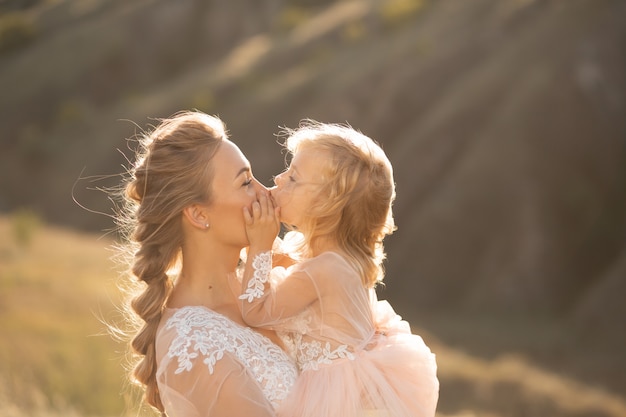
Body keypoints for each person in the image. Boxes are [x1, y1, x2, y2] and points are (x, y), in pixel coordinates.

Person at [234, 121, 440, 417]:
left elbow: (255, 312)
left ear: (326, 204)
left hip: (336, 398)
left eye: (294, 178)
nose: (278, 179)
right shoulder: (339, 257)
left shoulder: (325, 268)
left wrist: (260, 247)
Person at [115, 110, 298, 417]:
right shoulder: (195, 343)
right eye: (245, 183)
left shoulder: (269, 282)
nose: (266, 192)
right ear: (198, 214)